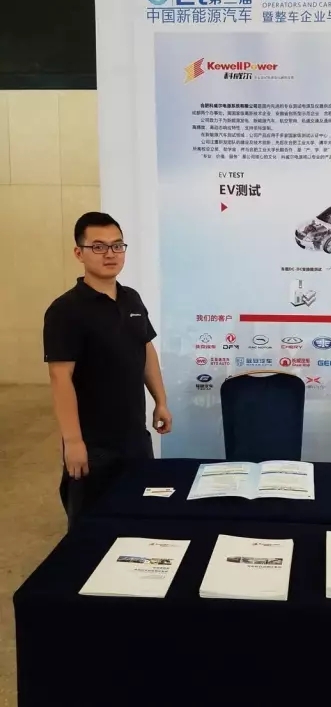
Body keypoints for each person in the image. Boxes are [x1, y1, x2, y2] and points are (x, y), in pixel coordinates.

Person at [43, 211, 172, 529]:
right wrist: (73, 442)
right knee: (90, 526)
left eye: (117, 246)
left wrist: (160, 400)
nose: (110, 254)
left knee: (139, 517)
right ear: (79, 253)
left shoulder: (132, 299)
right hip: (93, 444)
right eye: (98, 247)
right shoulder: (65, 310)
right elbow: (60, 377)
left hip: (134, 436)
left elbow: (146, 350)